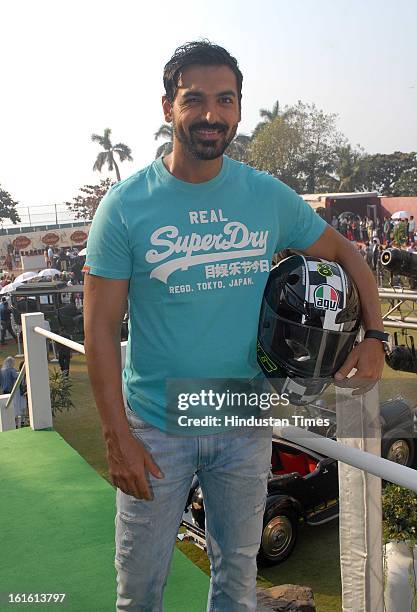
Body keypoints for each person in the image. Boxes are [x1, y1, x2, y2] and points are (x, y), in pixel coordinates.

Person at [83, 41, 386, 612]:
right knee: (140, 590)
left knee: (236, 582)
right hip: (155, 426)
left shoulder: (263, 196)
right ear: (168, 106)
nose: (210, 114)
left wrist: (374, 338)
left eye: (225, 99)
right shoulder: (124, 206)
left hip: (242, 420)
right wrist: (115, 434)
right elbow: (99, 330)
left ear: (239, 111)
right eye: (193, 98)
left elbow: (347, 253)